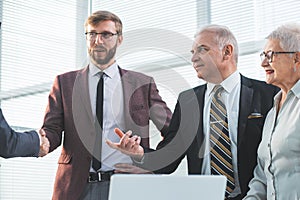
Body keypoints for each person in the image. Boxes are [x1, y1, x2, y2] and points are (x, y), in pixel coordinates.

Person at [107, 24, 279, 200]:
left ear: (227, 52)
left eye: (202, 50)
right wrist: (139, 153)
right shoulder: (188, 101)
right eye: (192, 53)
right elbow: (170, 158)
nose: (194, 59)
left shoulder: (269, 94)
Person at [41, 10, 172, 200]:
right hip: (76, 187)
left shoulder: (142, 84)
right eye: (92, 34)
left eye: (106, 34)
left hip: (129, 187)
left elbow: (172, 131)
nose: (98, 40)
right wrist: (41, 142)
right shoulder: (65, 83)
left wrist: (145, 156)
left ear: (119, 39)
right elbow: (51, 130)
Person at [243, 23, 300, 200]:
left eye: (270, 55)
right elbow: (262, 175)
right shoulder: (272, 111)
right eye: (263, 55)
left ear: (296, 58)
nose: (263, 63)